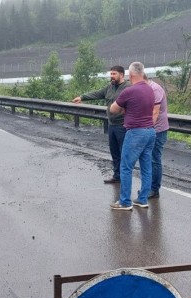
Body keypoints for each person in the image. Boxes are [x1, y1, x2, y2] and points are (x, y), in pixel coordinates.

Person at [108, 62, 156, 211]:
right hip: (150, 132)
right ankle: (142, 199)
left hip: (135, 132)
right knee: (146, 167)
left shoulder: (129, 91)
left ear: (130, 75)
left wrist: (125, 109)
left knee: (126, 166)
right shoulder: (150, 89)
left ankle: (125, 202)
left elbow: (113, 109)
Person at [72, 66, 130, 184]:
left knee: (125, 153)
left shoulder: (128, 88)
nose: (111, 76)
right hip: (112, 125)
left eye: (114, 74)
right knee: (114, 152)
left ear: (122, 75)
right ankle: (117, 176)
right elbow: (97, 93)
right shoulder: (109, 87)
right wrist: (82, 97)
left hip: (123, 126)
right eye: (111, 74)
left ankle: (125, 179)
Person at [143, 73, 169, 198]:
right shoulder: (146, 89)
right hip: (149, 128)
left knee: (154, 159)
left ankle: (154, 189)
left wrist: (147, 129)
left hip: (157, 130)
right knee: (147, 159)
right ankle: (148, 188)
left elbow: (155, 112)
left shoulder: (155, 89)